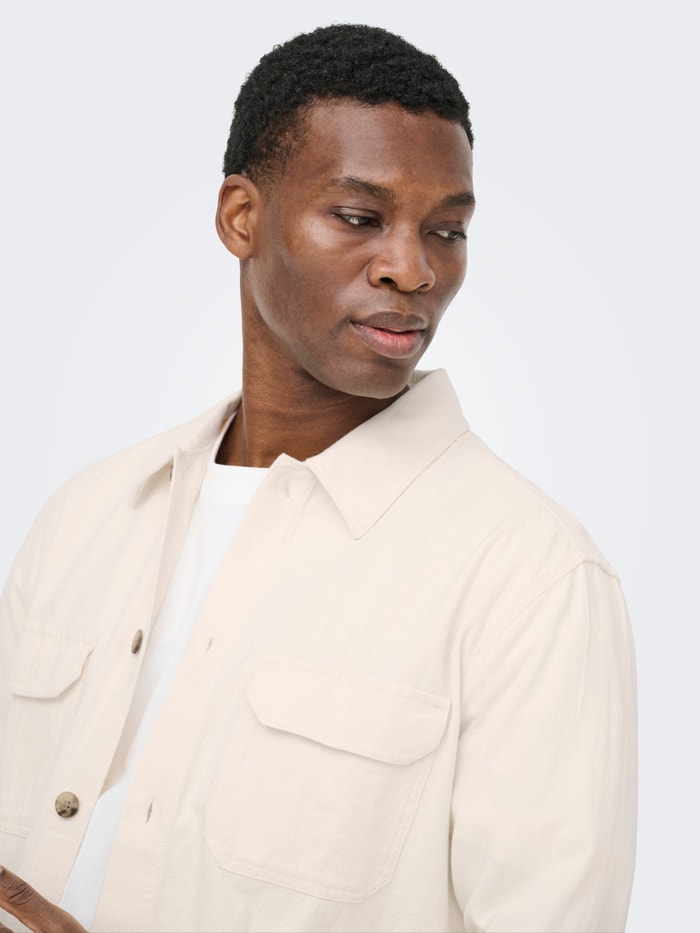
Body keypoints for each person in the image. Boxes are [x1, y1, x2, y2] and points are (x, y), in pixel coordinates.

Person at [0, 23, 636, 933]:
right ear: (241, 217)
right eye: (359, 217)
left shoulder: (533, 579)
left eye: (448, 230)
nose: (412, 268)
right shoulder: (84, 516)